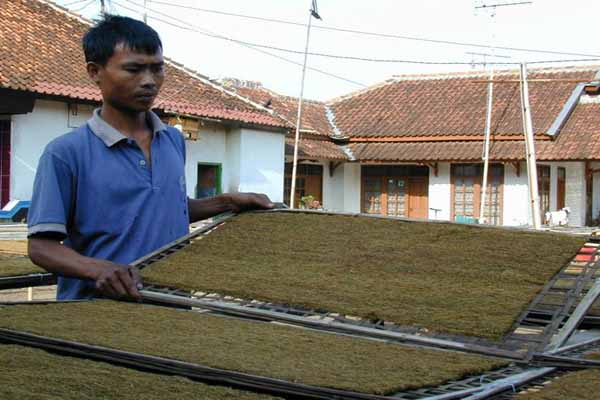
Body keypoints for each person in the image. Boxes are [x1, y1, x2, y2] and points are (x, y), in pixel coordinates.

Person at [27, 15, 273, 301]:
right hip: (95, 315)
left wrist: (228, 202)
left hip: (172, 307)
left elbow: (167, 209)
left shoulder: (172, 140)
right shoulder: (65, 153)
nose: (149, 81)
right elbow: (41, 247)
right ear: (95, 72)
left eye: (157, 69)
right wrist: (97, 269)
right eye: (133, 69)